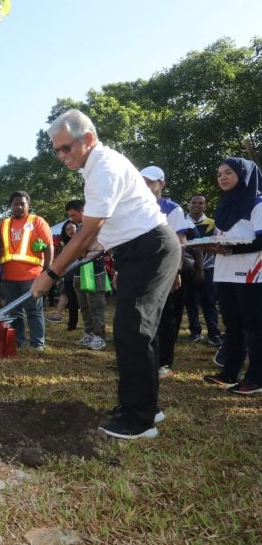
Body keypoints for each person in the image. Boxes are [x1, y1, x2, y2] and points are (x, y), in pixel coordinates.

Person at [32, 109, 180, 440]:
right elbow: (101, 233)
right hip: (136, 251)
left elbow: (85, 234)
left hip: (151, 248)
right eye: (56, 150)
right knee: (137, 330)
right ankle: (145, 405)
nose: (60, 156)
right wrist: (109, 253)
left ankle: (139, 420)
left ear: (88, 139)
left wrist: (51, 274)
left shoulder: (103, 168)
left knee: (133, 331)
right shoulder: (96, 167)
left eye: (65, 148)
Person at [197, 158, 262, 395]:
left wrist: (232, 249)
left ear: (243, 175)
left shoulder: (257, 203)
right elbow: (220, 238)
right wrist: (209, 246)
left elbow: (261, 239)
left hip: (251, 274)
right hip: (224, 273)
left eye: (228, 173)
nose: (222, 177)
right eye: (219, 174)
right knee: (232, 325)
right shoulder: (224, 206)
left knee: (254, 327)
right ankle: (229, 372)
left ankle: (256, 378)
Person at [140, 165, 201, 379]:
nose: (145, 186)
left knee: (167, 317)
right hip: (143, 270)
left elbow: (180, 242)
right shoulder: (135, 208)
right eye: (142, 182)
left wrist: (176, 272)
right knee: (144, 317)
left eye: (150, 182)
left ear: (161, 184)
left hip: (167, 270)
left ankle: (164, 362)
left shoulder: (172, 209)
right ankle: (143, 359)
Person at [0, 191, 53, 350]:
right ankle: (18, 342)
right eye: (16, 204)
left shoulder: (37, 221)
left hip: (32, 276)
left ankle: (37, 344)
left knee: (34, 312)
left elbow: (49, 246)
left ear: (28, 205)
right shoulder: (3, 223)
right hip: (9, 277)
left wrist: (48, 272)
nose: (19, 206)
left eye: (22, 203)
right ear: (10, 206)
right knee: (15, 313)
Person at [64, 199, 108, 350]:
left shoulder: (98, 224)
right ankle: (88, 333)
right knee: (83, 305)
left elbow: (94, 246)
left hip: (94, 270)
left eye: (74, 215)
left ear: (83, 210)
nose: (72, 219)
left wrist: (83, 249)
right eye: (70, 216)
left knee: (96, 305)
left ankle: (99, 336)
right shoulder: (80, 228)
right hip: (79, 271)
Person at [184, 193, 223, 346]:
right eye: (194, 202)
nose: (197, 205)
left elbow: (218, 244)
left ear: (205, 206)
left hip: (208, 268)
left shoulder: (213, 224)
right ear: (188, 204)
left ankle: (214, 333)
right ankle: (195, 332)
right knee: (190, 301)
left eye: (201, 203)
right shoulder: (182, 223)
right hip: (188, 269)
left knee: (209, 301)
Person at [47, 220, 79, 330]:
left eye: (72, 228)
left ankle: (63, 318)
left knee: (78, 300)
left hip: (81, 273)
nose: (70, 231)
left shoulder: (82, 241)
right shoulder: (66, 245)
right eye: (67, 229)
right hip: (69, 274)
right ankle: (71, 323)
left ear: (77, 228)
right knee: (69, 297)